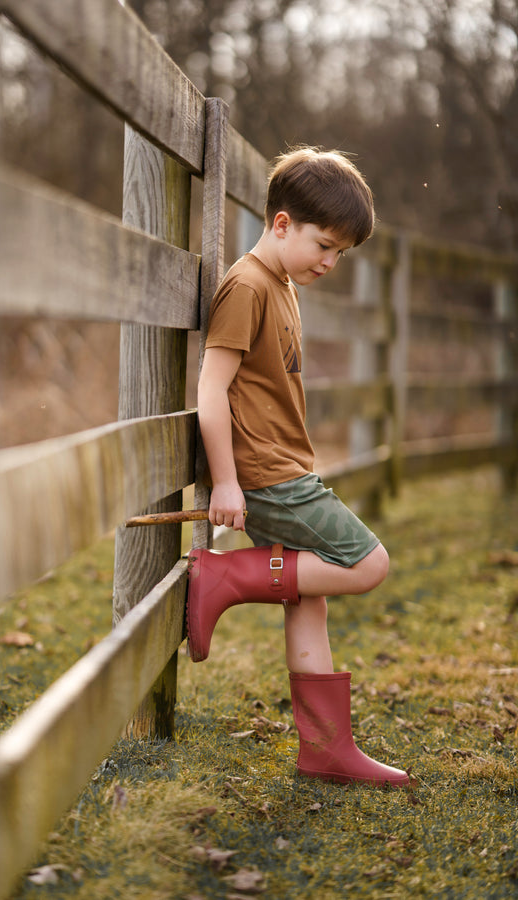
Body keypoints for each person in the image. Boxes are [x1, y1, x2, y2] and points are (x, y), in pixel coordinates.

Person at [187, 146, 409, 788]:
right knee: (368, 563)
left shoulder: (280, 283)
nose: (331, 263)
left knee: (309, 598)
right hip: (268, 474)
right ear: (281, 224)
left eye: (341, 253)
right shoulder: (247, 286)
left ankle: (324, 748)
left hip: (284, 467)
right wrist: (227, 479)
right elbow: (211, 388)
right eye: (324, 245)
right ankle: (226, 577)